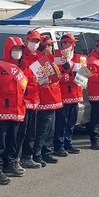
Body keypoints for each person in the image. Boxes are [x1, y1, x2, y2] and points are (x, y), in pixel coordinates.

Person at [0, 37, 28, 185]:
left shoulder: (20, 68)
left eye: (20, 50)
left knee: (12, 141)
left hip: (17, 111)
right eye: (15, 49)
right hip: (2, 111)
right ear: (8, 50)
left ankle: (9, 165)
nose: (18, 52)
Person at [53, 34, 85, 156]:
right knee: (62, 122)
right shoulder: (57, 59)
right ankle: (59, 145)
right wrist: (71, 75)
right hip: (63, 95)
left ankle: (68, 143)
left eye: (70, 43)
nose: (68, 46)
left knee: (72, 122)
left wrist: (76, 75)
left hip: (76, 94)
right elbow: (58, 77)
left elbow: (83, 76)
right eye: (65, 43)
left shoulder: (79, 58)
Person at [15, 30, 43, 169]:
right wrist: (33, 79)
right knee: (20, 132)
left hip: (34, 99)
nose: (34, 44)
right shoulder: (21, 56)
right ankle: (16, 158)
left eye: (37, 41)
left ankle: (28, 157)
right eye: (32, 41)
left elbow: (43, 76)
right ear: (26, 41)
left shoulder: (39, 57)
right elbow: (20, 76)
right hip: (23, 100)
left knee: (31, 131)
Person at [33, 35, 62, 166]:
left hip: (53, 98)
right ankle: (37, 154)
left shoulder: (51, 60)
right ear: (45, 47)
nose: (52, 47)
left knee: (50, 129)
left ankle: (46, 152)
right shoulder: (39, 60)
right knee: (42, 129)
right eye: (50, 45)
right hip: (45, 99)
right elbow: (38, 80)